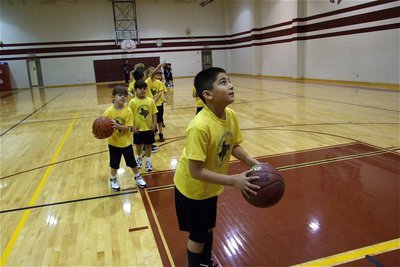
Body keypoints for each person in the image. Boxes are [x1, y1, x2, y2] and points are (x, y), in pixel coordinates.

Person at [173, 67, 261, 267]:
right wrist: (234, 181)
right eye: (223, 82)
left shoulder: (230, 115)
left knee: (208, 227)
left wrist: (251, 161)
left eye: (230, 80)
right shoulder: (199, 126)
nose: (231, 85)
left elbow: (232, 145)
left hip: (209, 186)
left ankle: (206, 262)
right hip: (192, 189)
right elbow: (195, 171)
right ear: (207, 94)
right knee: (197, 235)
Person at [103, 86, 147, 191]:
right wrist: (100, 132)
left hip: (126, 143)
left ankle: (137, 176)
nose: (123, 97)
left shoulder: (128, 111)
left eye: (124, 95)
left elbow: (127, 128)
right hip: (113, 143)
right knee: (114, 164)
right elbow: (104, 128)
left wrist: (116, 125)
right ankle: (113, 179)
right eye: (120, 95)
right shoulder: (108, 112)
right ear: (114, 97)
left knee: (132, 162)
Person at [128, 80, 158, 172]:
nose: (142, 90)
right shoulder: (132, 102)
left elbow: (154, 113)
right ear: (135, 90)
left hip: (149, 128)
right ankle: (139, 158)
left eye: (144, 88)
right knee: (138, 145)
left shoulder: (150, 101)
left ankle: (148, 161)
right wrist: (132, 126)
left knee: (148, 146)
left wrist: (154, 123)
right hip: (138, 129)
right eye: (140, 88)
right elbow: (130, 115)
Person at [148, 70, 168, 142]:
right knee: (152, 121)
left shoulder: (159, 83)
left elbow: (160, 92)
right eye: (152, 74)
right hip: (150, 105)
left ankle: (161, 133)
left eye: (156, 74)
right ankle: (152, 133)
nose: (155, 76)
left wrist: (155, 100)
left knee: (159, 120)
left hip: (158, 104)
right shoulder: (147, 83)